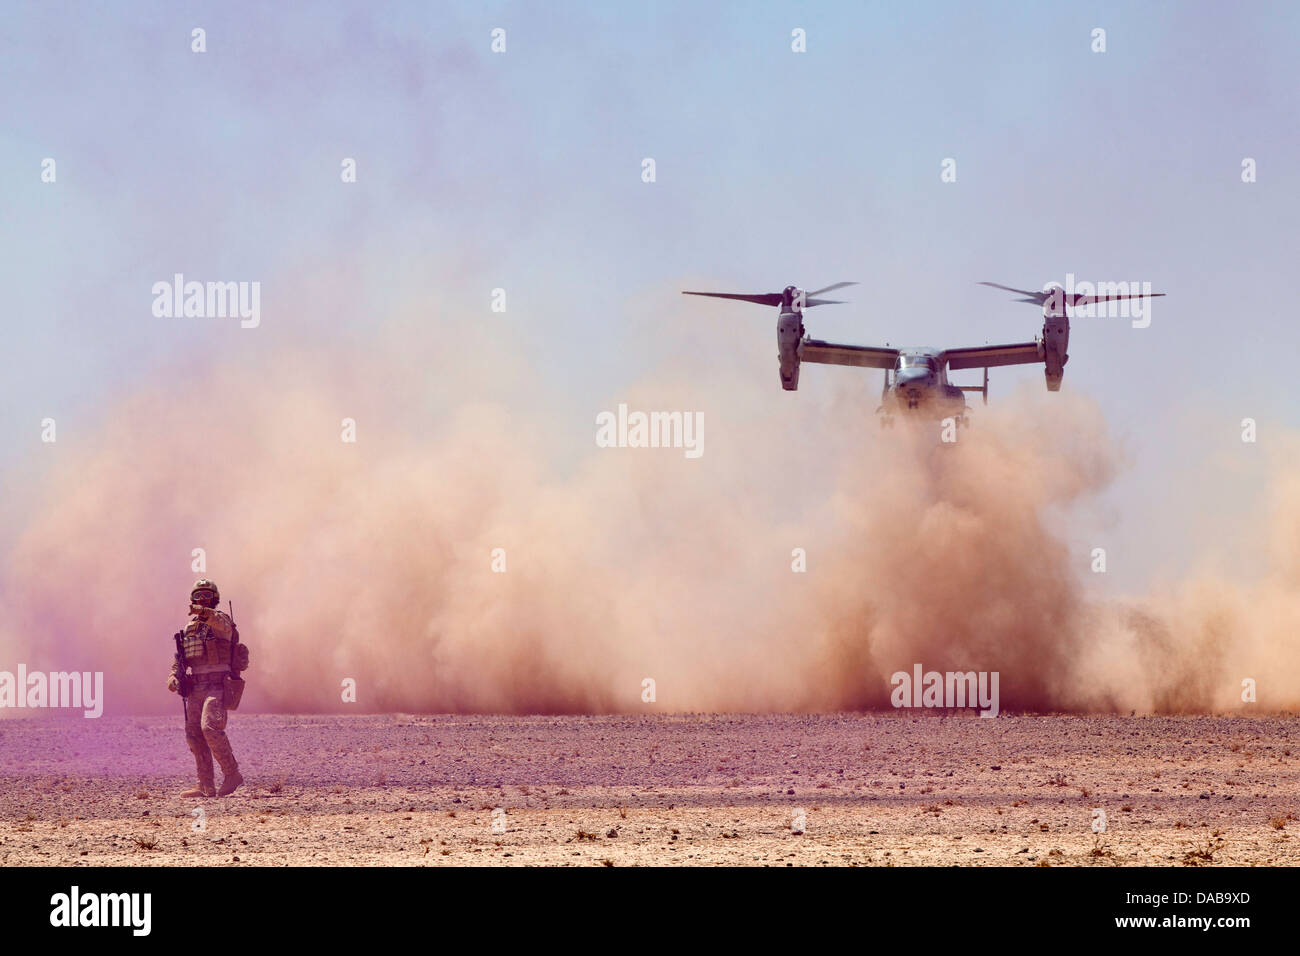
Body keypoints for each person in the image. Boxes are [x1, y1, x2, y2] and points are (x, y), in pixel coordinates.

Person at [167, 578, 248, 797]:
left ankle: (232, 774)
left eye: (206, 596)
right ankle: (205, 785)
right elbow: (181, 657)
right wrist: (174, 675)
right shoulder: (190, 628)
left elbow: (220, 623)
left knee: (210, 728)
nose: (202, 600)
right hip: (195, 688)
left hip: (217, 686)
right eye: (197, 596)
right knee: (193, 734)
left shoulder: (221, 621)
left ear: (214, 599)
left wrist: (203, 612)